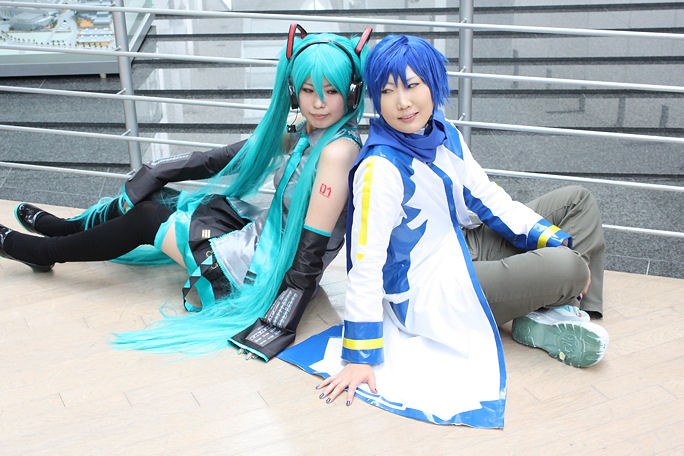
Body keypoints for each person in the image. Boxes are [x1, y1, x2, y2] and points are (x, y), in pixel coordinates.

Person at [278, 35, 608, 428]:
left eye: (412, 85)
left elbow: (489, 199)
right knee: (568, 267)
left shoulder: (443, 132)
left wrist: (553, 239)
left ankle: (563, 312)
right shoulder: (379, 169)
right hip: (431, 290)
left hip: (461, 243)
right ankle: (555, 303)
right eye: (387, 91)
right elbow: (365, 264)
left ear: (433, 84)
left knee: (578, 202)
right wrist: (360, 356)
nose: (402, 102)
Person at [0, 24, 372, 361]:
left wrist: (281, 316)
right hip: (266, 233)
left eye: (331, 91)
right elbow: (230, 157)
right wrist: (159, 169)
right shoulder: (309, 130)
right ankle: (65, 229)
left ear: (352, 93)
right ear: (293, 91)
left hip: (265, 266)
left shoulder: (338, 151)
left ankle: (42, 252)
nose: (318, 103)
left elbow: (310, 250)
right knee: (161, 198)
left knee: (147, 218)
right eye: (308, 90)